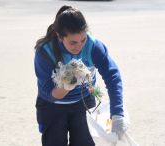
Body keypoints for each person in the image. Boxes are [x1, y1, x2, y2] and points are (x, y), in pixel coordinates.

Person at [34, 5, 129, 146]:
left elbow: (112, 76)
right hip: (52, 106)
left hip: (84, 103)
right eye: (73, 42)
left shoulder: (93, 47)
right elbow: (49, 92)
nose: (79, 47)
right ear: (60, 36)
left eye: (83, 40)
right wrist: (67, 86)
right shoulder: (45, 52)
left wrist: (117, 114)